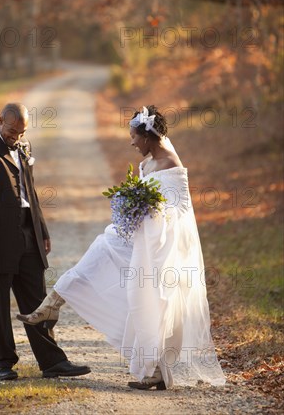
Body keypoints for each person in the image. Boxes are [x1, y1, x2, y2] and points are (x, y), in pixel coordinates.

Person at [17, 105, 226, 390]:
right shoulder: (147, 162)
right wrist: (130, 207)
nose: (132, 142)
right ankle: (53, 302)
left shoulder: (170, 165)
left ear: (148, 135)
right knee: (99, 253)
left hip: (158, 245)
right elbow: (148, 199)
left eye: (134, 137)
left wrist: (143, 212)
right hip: (137, 236)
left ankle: (157, 371)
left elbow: (177, 213)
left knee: (152, 303)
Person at [0, 103, 91, 380]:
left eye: (21, 132)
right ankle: (2, 362)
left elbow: (30, 192)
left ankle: (52, 362)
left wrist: (42, 230)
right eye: (12, 131)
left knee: (37, 302)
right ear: (0, 122)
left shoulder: (23, 145)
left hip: (27, 233)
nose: (16, 137)